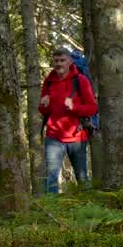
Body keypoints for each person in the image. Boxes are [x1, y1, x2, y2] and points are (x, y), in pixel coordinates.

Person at [38, 47, 98, 194]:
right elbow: (43, 110)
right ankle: (52, 211)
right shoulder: (49, 81)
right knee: (51, 178)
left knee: (82, 178)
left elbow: (92, 108)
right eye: (56, 60)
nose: (59, 64)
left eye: (62, 60)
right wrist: (43, 105)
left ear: (70, 61)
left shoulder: (81, 80)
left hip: (77, 137)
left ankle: (89, 211)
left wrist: (74, 107)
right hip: (53, 137)